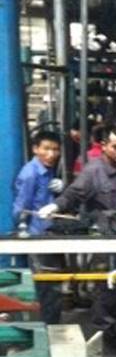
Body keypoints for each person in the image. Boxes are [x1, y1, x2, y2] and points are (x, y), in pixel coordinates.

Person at [39, 123, 116, 346]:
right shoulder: (94, 171)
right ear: (104, 145)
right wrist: (56, 206)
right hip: (110, 241)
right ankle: (105, 336)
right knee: (107, 291)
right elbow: (73, 194)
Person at [12, 131, 64, 324]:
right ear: (35, 149)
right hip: (38, 237)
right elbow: (20, 209)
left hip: (50, 233)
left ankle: (51, 324)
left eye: (55, 149)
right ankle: (47, 326)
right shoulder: (30, 174)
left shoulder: (48, 170)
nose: (51, 154)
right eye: (46, 149)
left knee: (54, 284)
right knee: (47, 286)